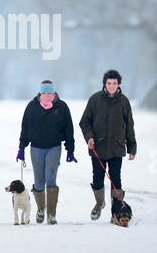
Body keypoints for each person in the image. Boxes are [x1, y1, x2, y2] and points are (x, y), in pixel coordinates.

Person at [16, 80, 77, 224]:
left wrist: (70, 150)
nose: (47, 95)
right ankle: (41, 208)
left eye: (50, 92)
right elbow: (25, 128)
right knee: (39, 181)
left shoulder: (61, 107)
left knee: (51, 178)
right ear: (40, 92)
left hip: (54, 147)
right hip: (36, 148)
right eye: (44, 92)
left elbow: (69, 129)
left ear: (54, 92)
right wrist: (21, 147)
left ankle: (51, 215)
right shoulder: (32, 106)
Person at [79, 69, 137, 222]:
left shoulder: (124, 101)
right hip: (97, 146)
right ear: (104, 84)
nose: (112, 86)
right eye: (109, 83)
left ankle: (115, 211)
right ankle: (99, 203)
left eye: (114, 83)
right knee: (97, 180)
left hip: (117, 147)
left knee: (115, 179)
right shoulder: (95, 99)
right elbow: (84, 122)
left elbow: (129, 125)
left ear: (118, 84)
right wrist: (89, 137)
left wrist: (132, 147)